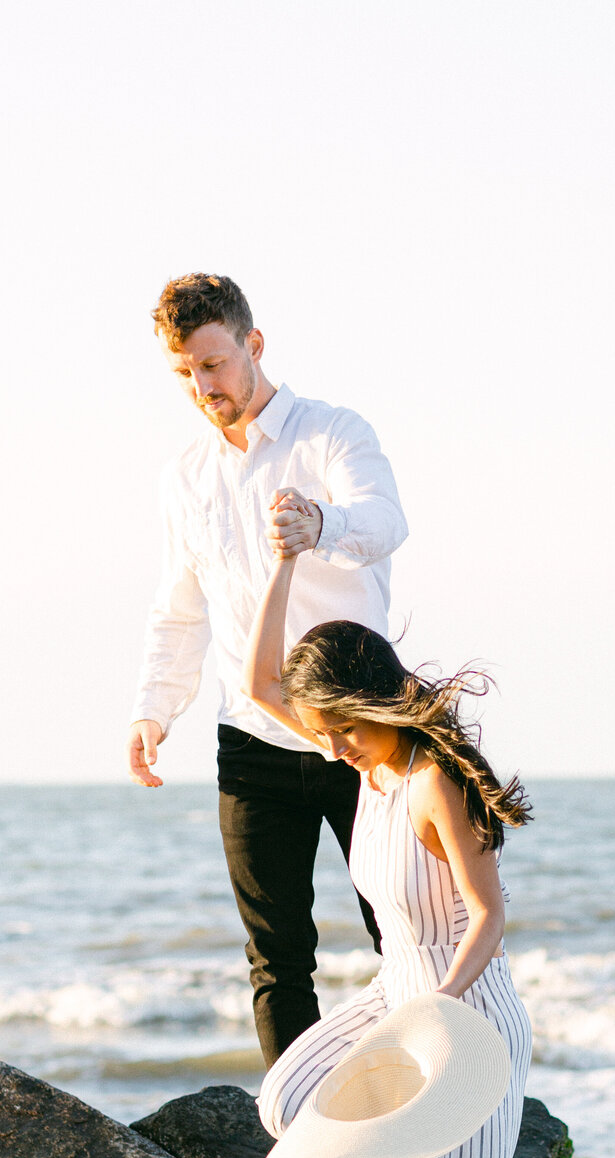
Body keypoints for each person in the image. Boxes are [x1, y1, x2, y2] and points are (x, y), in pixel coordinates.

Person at [241, 522, 554, 1158]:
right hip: (401, 998)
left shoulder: (427, 778)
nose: (328, 749)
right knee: (288, 1103)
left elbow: (486, 914)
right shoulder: (363, 764)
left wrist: (442, 1013)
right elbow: (256, 681)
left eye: (338, 731)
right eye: (324, 733)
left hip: (467, 1013)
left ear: (370, 710)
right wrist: (283, 562)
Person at [127, 273, 408, 1064]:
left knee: (404, 933)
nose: (201, 386)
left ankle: (426, 1123)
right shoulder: (184, 476)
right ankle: (309, 1143)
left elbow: (387, 523)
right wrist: (154, 709)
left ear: (254, 344)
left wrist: (323, 522)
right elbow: (180, 606)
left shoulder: (333, 433)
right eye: (184, 374)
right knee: (277, 960)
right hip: (252, 739)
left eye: (212, 365)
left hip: (363, 733)